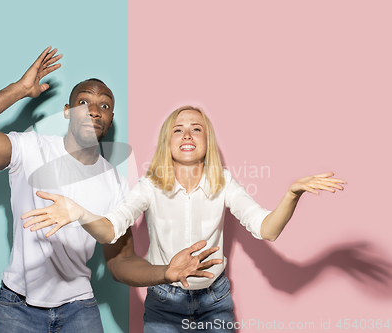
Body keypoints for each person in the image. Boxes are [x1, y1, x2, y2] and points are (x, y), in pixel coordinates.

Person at [0, 48, 222, 333]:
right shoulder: (31, 149)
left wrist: (165, 272)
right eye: (84, 102)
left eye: (105, 106)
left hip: (78, 309)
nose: (94, 110)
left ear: (110, 119)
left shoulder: (116, 185)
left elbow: (120, 261)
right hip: (16, 307)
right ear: (68, 112)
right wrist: (18, 89)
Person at [23, 106, 347, 332]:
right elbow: (110, 230)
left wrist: (291, 194)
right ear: (168, 142)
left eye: (196, 128)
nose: (187, 134)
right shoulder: (150, 185)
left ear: (207, 142)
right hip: (164, 302)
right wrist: (80, 213)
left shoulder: (224, 181)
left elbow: (267, 229)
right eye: (178, 129)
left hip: (215, 301)